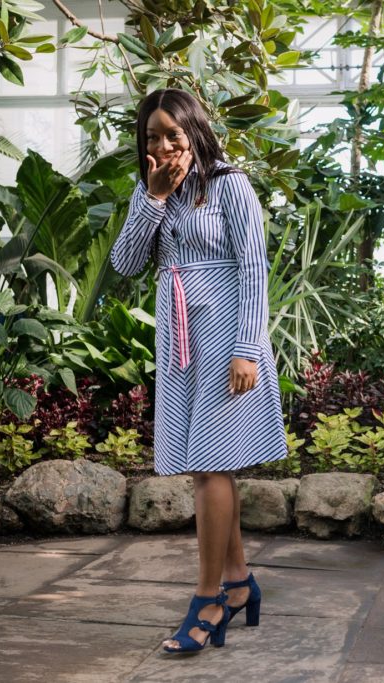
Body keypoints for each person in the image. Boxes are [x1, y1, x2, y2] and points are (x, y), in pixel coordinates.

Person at [111, 88, 287, 654]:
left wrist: (247, 348)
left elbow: (255, 271)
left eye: (172, 134)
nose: (162, 146)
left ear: (194, 131)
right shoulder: (155, 189)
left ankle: (208, 598)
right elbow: (126, 264)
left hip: (226, 339)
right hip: (179, 342)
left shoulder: (230, 184)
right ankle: (237, 584)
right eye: (152, 137)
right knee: (204, 468)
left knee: (212, 468)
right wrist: (152, 199)